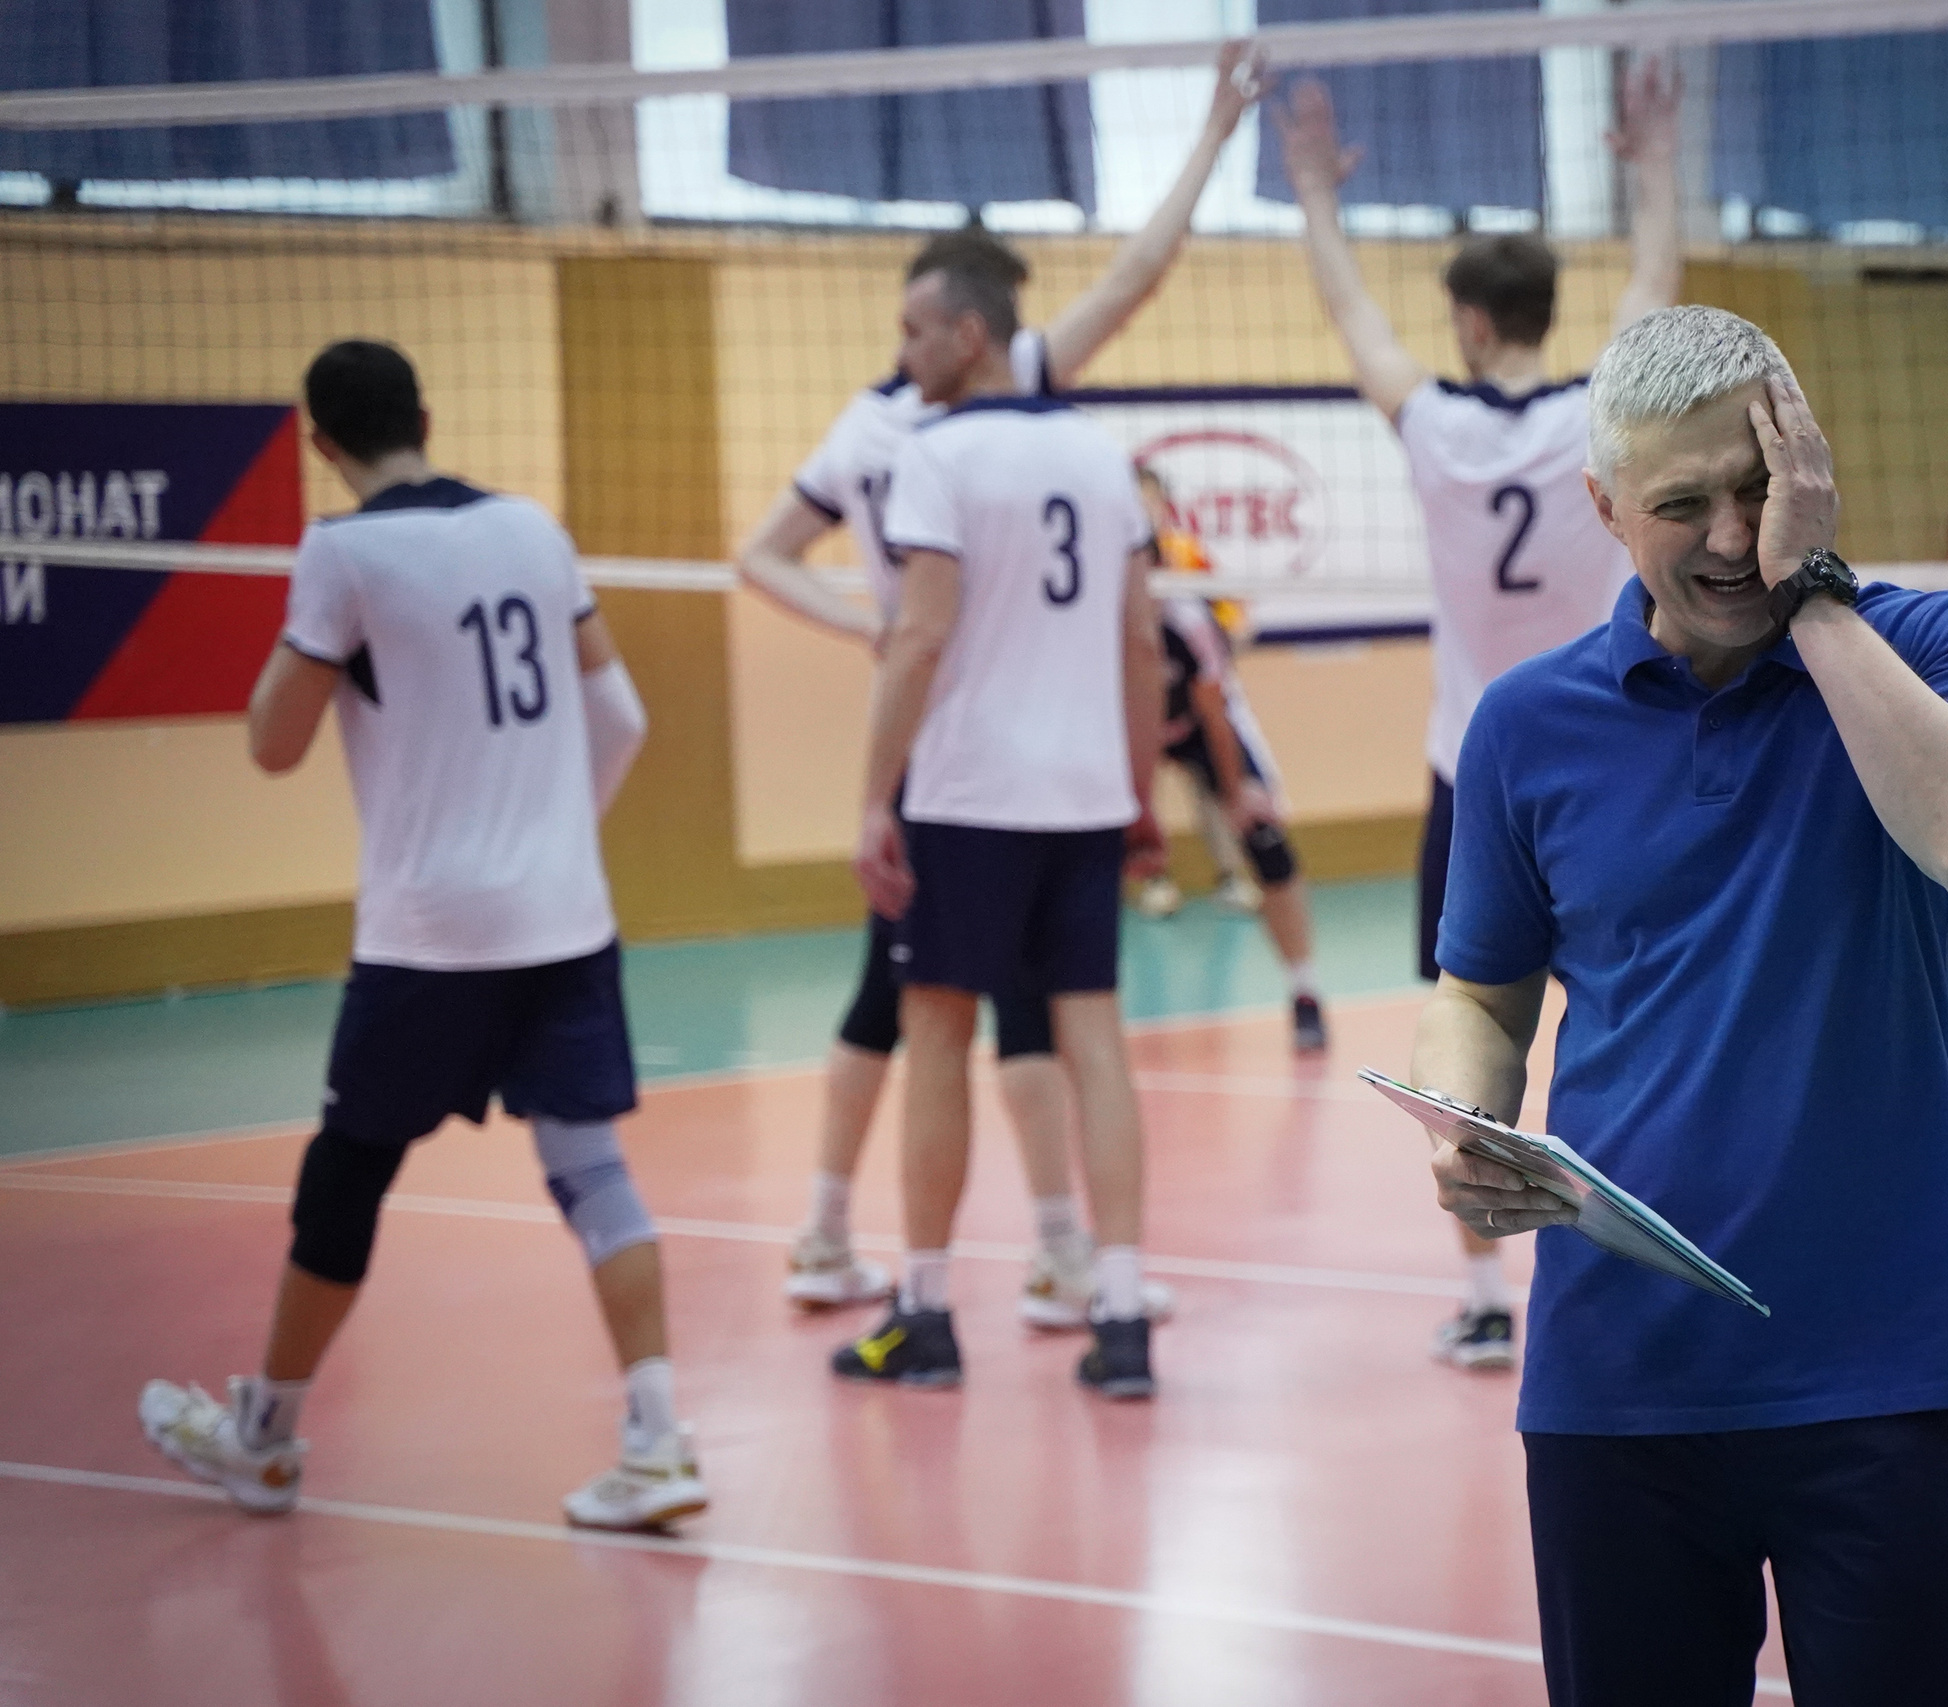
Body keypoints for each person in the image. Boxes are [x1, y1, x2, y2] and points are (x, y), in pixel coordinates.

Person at [1415, 306, 1948, 1706]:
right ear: (1603, 509)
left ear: (1810, 474)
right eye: (1682, 503)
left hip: (1885, 1373)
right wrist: (1464, 1119)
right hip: (1616, 1382)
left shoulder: (1928, 647)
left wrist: (1814, 592)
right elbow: (1479, 990)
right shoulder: (1524, 723)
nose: (1725, 536)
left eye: (1758, 489)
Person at [731, 42, 1264, 1325]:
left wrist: (1205, 138)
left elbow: (1137, 278)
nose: (914, 341)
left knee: (982, 1012)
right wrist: (881, 627)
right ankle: (876, 1239)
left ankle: (1032, 1253)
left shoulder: (1005, 403)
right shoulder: (902, 427)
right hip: (974, 755)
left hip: (985, 759)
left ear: (968, 329)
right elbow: (767, 558)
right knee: (935, 1009)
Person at [137, 340, 699, 1531]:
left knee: (346, 1179)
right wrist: (550, 833)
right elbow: (622, 717)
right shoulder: (535, 531)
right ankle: (659, 1445)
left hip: (430, 936)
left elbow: (271, 744)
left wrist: (321, 646)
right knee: (592, 1173)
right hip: (562, 919)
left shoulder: (343, 551)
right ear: (428, 417)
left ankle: (266, 1441)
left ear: (322, 446)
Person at [1275, 58, 1682, 1370]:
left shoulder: (1437, 424)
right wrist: (1655, 165)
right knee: (1632, 1018)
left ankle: (1488, 1294)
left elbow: (1349, 318)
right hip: (1613, 768)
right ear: (1547, 313)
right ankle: (1651, 1258)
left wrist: (1315, 200)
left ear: (1463, 318)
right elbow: (1658, 298)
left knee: (1474, 1024)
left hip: (1475, 776)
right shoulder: (1596, 420)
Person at [833, 241, 1167, 1398]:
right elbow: (1140, 640)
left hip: (970, 795)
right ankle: (1121, 1314)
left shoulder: (935, 454)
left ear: (969, 335)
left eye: (915, 330)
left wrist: (874, 796)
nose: (903, 352)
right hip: (1082, 797)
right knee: (1093, 1042)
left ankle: (924, 1311)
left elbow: (917, 637)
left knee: (936, 1036)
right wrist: (1140, 794)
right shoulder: (1099, 452)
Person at [1156, 576, 1329, 1054]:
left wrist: (1236, 797)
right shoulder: (1099, 616)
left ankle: (1305, 993)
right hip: (1132, 725)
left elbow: (1216, 712)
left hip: (1202, 723)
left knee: (1265, 838)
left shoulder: (1186, 619)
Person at [1131, 466, 1263, 919]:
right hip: (1141, 699)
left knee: (1213, 785)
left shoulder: (1186, 552)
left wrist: (1231, 633)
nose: (1144, 510)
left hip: (1192, 688)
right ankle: (1154, 879)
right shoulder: (1118, 558)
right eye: (1136, 501)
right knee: (1141, 785)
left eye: (1150, 501)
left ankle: (1230, 874)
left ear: (1164, 505)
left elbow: (1230, 608)